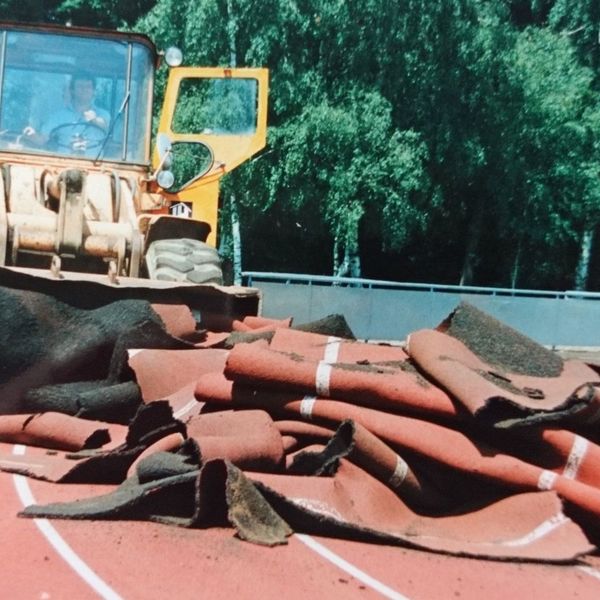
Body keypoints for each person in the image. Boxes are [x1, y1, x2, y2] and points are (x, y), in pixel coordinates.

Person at [23, 71, 110, 154]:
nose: (84, 90)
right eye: (80, 86)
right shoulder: (58, 116)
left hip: (95, 167)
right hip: (63, 165)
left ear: (94, 91)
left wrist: (95, 120)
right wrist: (32, 135)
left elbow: (107, 128)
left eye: (88, 87)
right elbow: (42, 139)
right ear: (72, 90)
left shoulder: (103, 115)